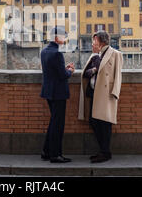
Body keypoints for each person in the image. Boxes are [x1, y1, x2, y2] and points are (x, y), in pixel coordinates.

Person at [78, 30, 123, 163]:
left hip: (106, 95)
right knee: (94, 121)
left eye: (94, 40)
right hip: (93, 94)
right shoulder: (95, 56)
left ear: (101, 41)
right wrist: (93, 70)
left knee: (105, 124)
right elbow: (87, 73)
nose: (93, 43)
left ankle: (105, 152)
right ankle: (103, 151)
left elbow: (118, 76)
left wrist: (115, 93)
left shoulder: (116, 54)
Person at [40, 26, 75, 163]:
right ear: (56, 38)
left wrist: (64, 68)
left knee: (53, 123)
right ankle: (55, 155)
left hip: (48, 92)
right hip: (59, 93)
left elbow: (54, 71)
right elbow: (62, 75)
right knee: (58, 125)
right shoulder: (57, 53)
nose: (64, 39)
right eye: (63, 37)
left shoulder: (44, 51)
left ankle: (46, 151)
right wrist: (70, 71)